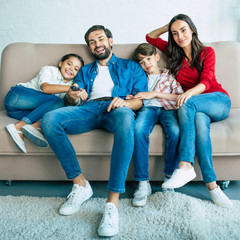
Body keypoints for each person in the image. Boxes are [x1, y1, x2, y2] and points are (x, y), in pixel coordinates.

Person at [41, 25, 148, 237]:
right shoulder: (86, 70)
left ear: (110, 41)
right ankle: (80, 185)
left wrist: (125, 104)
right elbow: (74, 98)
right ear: (90, 48)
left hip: (117, 108)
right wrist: (74, 94)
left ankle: (112, 203)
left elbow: (140, 101)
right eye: (91, 41)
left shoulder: (131, 67)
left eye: (100, 38)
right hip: (89, 108)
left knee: (127, 117)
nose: (97, 44)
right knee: (50, 119)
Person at [146, 14, 233, 208]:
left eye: (183, 30)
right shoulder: (173, 53)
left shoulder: (206, 52)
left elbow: (207, 81)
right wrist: (168, 26)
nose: (180, 36)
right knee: (201, 130)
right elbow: (150, 38)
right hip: (197, 108)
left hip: (217, 100)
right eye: (174, 33)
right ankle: (212, 187)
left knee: (185, 104)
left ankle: (185, 165)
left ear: (192, 29)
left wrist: (190, 94)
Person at [127, 43, 183, 207]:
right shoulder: (140, 76)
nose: (147, 64)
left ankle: (169, 178)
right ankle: (143, 183)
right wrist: (132, 97)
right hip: (148, 108)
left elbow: (179, 97)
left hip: (168, 109)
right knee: (138, 130)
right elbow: (136, 95)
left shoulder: (169, 75)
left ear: (157, 57)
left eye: (149, 59)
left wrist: (156, 93)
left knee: (175, 131)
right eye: (142, 62)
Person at [4, 53, 85, 154]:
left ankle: (32, 126)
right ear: (60, 64)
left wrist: (77, 94)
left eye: (76, 69)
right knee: (57, 101)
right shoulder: (49, 70)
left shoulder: (72, 84)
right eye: (69, 64)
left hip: (17, 113)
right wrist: (71, 89)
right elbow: (45, 88)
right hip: (16, 97)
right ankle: (19, 126)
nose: (71, 69)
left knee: (55, 112)